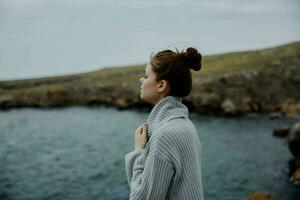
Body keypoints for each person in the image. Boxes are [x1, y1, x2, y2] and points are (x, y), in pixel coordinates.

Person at [125, 47, 204, 200]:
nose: (141, 80)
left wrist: (138, 152)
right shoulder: (187, 125)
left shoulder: (163, 136)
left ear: (161, 85)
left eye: (146, 75)